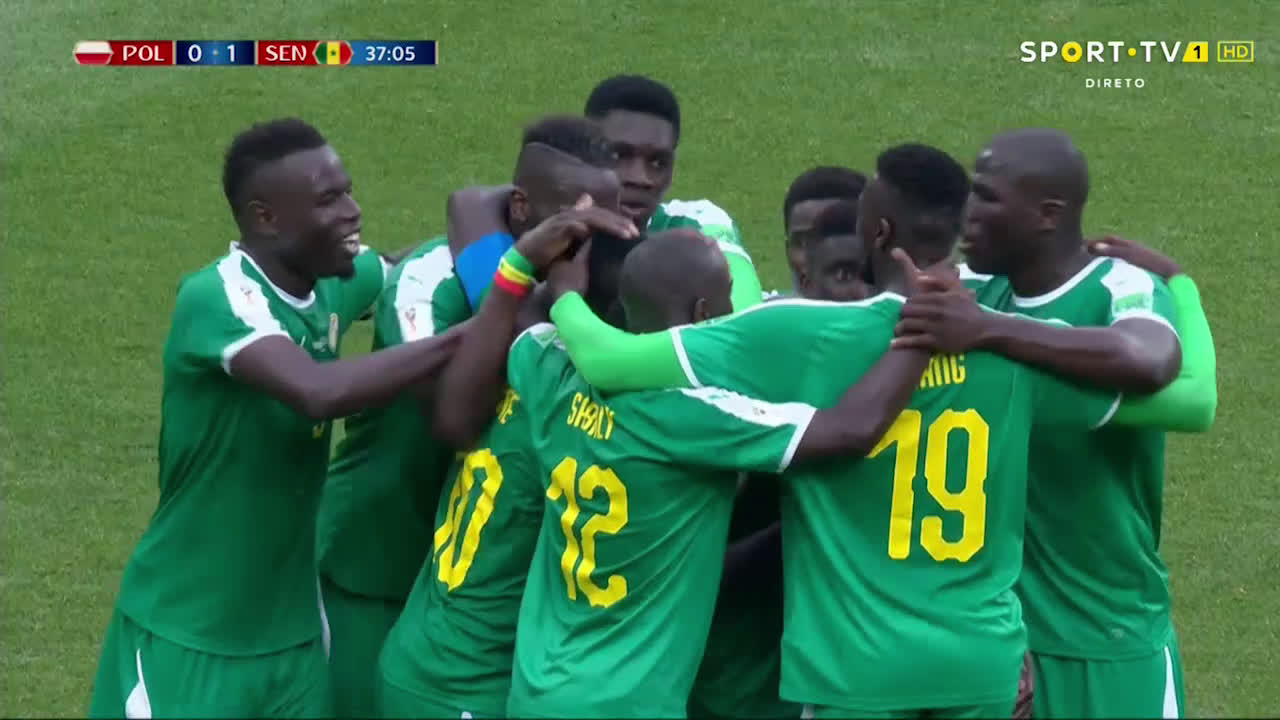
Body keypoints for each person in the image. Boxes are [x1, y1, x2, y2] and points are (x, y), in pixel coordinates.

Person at [542, 142, 1210, 717]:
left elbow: (612, 360)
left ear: (878, 232)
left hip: (854, 666)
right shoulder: (1016, 345)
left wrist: (562, 288)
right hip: (979, 658)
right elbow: (1184, 401)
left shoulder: (799, 334)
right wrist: (1180, 287)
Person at [88, 118, 467, 719]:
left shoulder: (328, 286)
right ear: (266, 218)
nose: (353, 211)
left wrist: (505, 242)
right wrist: (475, 333)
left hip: (291, 642)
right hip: (188, 635)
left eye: (348, 191)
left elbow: (406, 267)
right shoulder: (218, 297)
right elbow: (315, 391)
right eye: (328, 200)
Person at [499, 229, 938, 718]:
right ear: (705, 313)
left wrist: (556, 282)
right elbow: (851, 430)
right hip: (627, 703)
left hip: (535, 692)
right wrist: (920, 327)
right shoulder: (691, 413)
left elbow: (525, 322)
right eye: (729, 302)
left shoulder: (552, 374)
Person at [891, 128, 1218, 718]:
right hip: (1001, 641)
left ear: (1048, 214)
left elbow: (1150, 358)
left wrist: (989, 332)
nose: (967, 213)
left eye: (987, 197)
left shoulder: (1118, 286)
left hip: (1110, 641)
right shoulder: (975, 291)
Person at [314, 114, 623, 718]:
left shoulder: (585, 289)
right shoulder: (429, 283)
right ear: (523, 209)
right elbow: (457, 414)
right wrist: (521, 291)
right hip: (378, 558)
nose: (593, 240)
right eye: (575, 220)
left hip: (477, 599)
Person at [376, 195, 638, 718]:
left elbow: (468, 205)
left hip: (423, 656)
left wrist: (527, 261)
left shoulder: (520, 362)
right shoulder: (584, 421)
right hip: (466, 688)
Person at [688, 197, 869, 719]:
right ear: (804, 282)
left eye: (870, 277)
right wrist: (814, 523)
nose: (861, 295)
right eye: (843, 276)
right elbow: (701, 571)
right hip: (739, 680)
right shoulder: (750, 380)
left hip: (847, 672)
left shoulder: (903, 376)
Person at [779, 165, 868, 293]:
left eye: (834, 239)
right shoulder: (760, 305)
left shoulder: (896, 305)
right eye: (802, 243)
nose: (814, 260)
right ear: (787, 250)